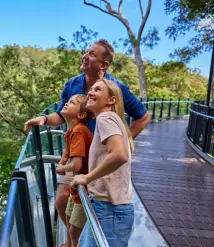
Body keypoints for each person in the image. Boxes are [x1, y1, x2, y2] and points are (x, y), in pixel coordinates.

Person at [23, 39, 150, 233]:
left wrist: (125, 141)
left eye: (91, 54)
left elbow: (143, 117)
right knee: (62, 198)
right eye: (86, 51)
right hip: (77, 152)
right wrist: (43, 119)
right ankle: (77, 238)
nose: (85, 56)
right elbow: (60, 114)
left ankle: (85, 237)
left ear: (103, 65)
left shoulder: (116, 89)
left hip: (99, 157)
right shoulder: (72, 84)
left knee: (92, 200)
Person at [70, 79, 135, 246]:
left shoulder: (105, 117)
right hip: (107, 208)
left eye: (97, 90)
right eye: (91, 89)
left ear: (111, 100)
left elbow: (120, 155)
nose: (90, 92)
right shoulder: (111, 119)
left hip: (110, 210)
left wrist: (87, 178)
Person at [55, 94, 93, 247]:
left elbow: (76, 165)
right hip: (78, 184)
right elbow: (68, 150)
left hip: (87, 186)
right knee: (70, 220)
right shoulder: (70, 131)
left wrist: (62, 168)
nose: (66, 103)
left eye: (71, 103)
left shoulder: (78, 131)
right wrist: (62, 161)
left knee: (75, 231)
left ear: (81, 114)